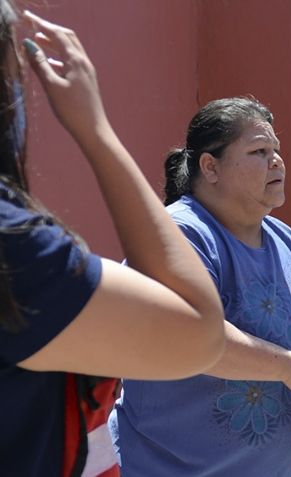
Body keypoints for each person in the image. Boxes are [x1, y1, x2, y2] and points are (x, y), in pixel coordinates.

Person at [0, 4, 227, 477]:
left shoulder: (287, 242)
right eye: (260, 150)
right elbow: (197, 334)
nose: (276, 162)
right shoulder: (15, 250)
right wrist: (94, 129)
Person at [109, 97, 291, 477]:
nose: (277, 161)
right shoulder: (177, 234)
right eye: (259, 151)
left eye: (276, 150)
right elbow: (187, 334)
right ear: (210, 167)